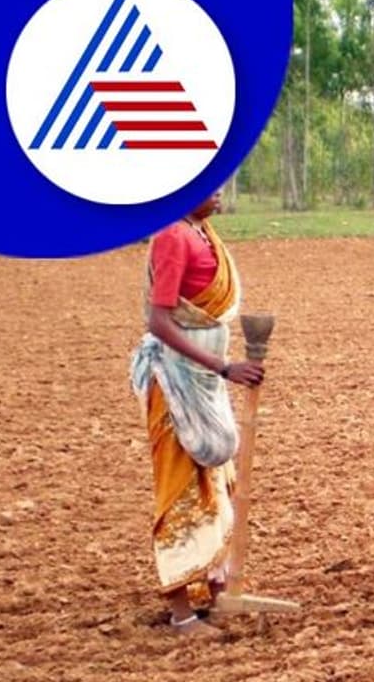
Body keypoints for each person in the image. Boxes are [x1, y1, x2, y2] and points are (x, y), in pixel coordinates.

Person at [129, 190, 265, 636]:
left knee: (214, 481)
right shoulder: (172, 234)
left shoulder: (201, 230)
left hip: (202, 382)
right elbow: (160, 321)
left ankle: (212, 584)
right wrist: (224, 367)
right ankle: (181, 612)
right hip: (175, 384)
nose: (221, 191)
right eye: (212, 183)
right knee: (181, 488)